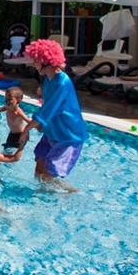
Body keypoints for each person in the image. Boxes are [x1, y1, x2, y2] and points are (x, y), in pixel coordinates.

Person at [20, 39, 87, 186]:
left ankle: (70, 195)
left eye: (35, 60)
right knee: (39, 166)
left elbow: (47, 110)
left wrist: (26, 129)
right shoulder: (48, 80)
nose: (33, 63)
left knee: (50, 173)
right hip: (53, 131)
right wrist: (39, 126)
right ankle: (40, 198)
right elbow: (46, 108)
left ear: (45, 60)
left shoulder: (62, 83)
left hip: (68, 135)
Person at [0, 86, 31, 154]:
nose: (7, 101)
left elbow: (29, 121)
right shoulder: (8, 106)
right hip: (12, 133)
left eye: (9, 99)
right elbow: (4, 108)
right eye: (6, 99)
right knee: (6, 150)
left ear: (18, 100)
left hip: (20, 135)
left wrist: (27, 132)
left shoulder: (18, 112)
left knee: (14, 153)